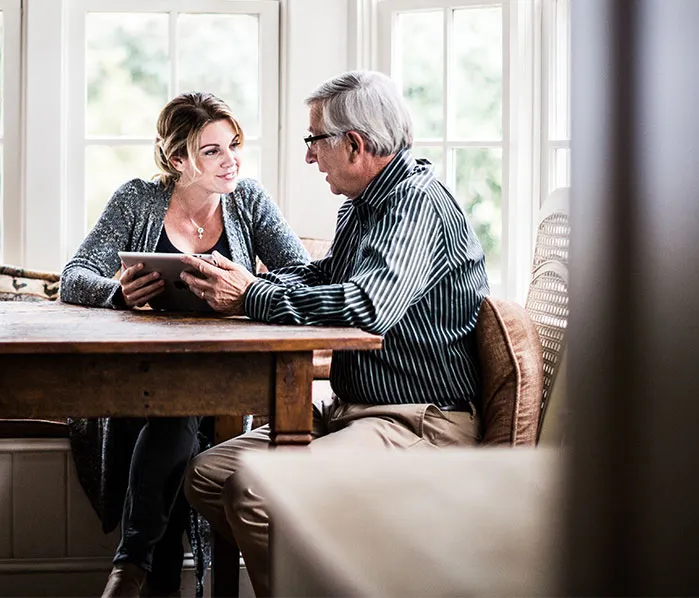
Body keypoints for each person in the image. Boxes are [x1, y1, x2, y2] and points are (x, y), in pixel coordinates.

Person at [178, 70, 490, 597]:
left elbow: (368, 307)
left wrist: (251, 297)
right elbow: (324, 277)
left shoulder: (415, 202)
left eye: (313, 141)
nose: (308, 157)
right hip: (352, 410)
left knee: (257, 492)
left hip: (420, 420)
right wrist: (246, 281)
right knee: (208, 475)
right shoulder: (363, 205)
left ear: (355, 143)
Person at [60, 92, 310, 598]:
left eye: (234, 145)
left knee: (179, 415)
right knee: (176, 416)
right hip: (144, 378)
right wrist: (118, 293)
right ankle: (148, 575)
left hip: (223, 377)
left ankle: (132, 568)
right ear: (178, 159)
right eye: (213, 150)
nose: (231, 160)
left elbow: (302, 278)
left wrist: (248, 290)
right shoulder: (138, 199)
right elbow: (73, 277)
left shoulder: (251, 201)